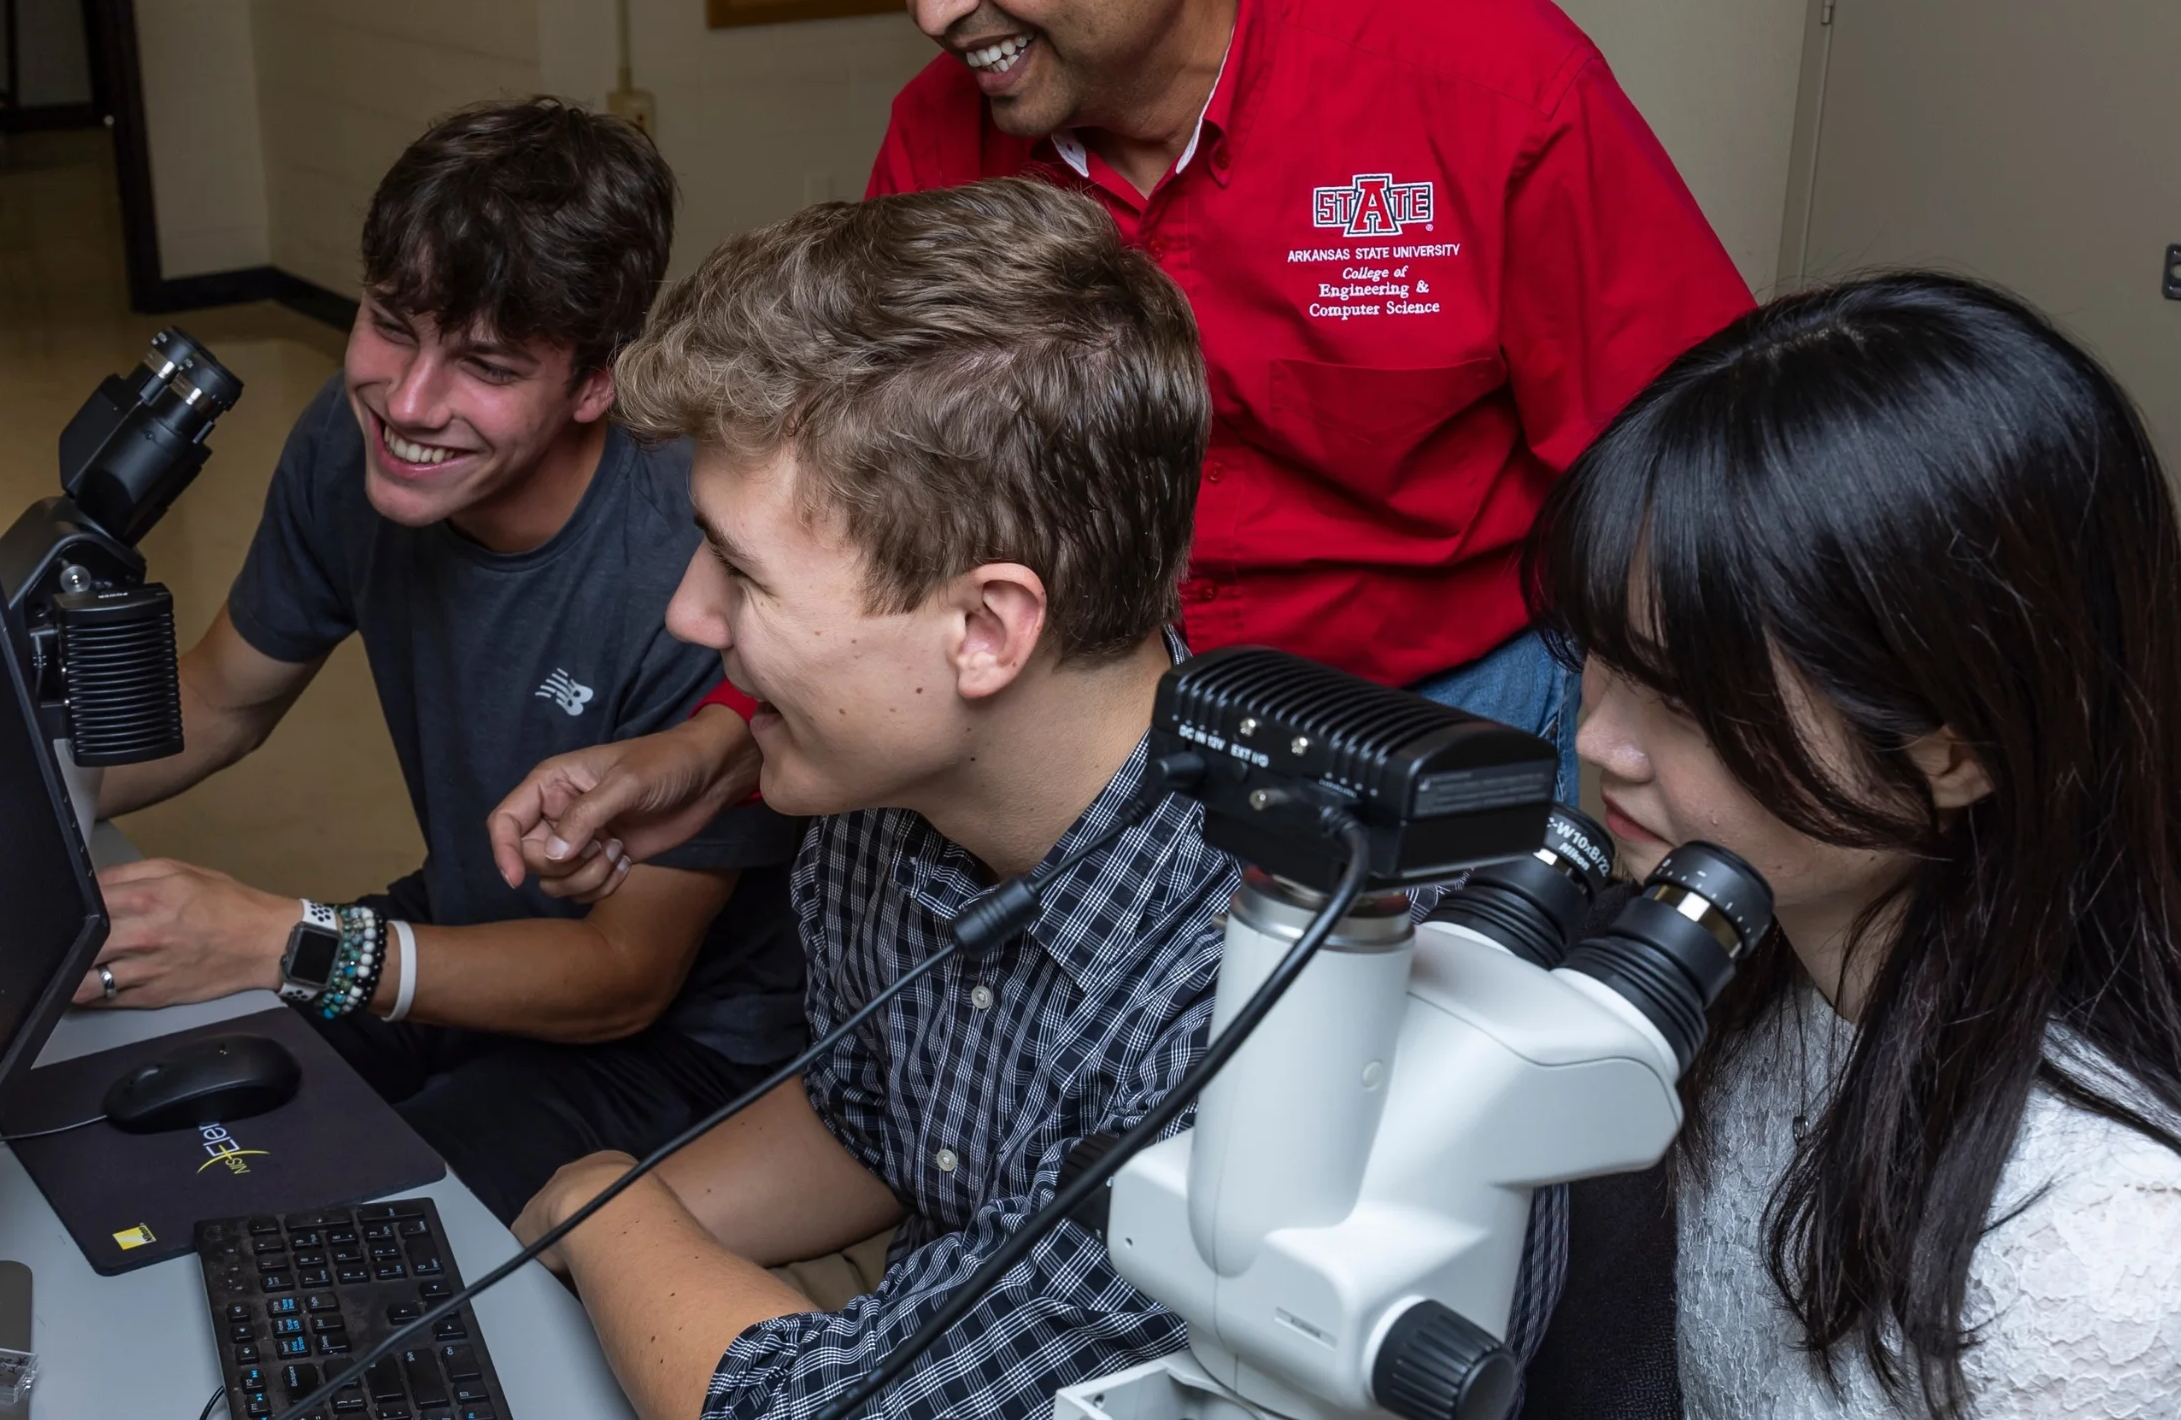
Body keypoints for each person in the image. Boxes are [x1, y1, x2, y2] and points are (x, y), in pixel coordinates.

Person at [491, 0, 1749, 895]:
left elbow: (1685, 478)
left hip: (1435, 715)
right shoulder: (940, 136)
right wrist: (715, 743)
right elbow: (846, 501)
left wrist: (1669, 795)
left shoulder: (1488, 89)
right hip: (1088, 734)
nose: (932, 6)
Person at [513, 180, 1538, 1420]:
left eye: (740, 572)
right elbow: (872, 1122)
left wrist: (591, 1198)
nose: (688, 615)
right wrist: (590, 1239)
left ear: (987, 628)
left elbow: (820, 1413)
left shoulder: (1269, 999)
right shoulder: (886, 794)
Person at [1535, 271, 2181, 1417]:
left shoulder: (2116, 1272)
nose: (1600, 738)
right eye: (1600, 655)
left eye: (1687, 702)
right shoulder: (1760, 969)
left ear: (1958, 747)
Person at [72, 98, 803, 1219]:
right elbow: (220, 699)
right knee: (136, 1137)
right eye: (391, 324)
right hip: (465, 930)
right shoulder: (349, 439)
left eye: (487, 365)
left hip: (680, 1048)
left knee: (349, 1220)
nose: (408, 403)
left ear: (596, 382)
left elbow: (621, 982)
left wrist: (291, 942)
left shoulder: (689, 566)